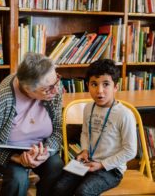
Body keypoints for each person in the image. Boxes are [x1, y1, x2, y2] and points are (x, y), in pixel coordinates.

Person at [0, 52, 64, 196]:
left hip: (41, 149)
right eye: (48, 88)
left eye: (57, 80)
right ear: (28, 89)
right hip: (8, 152)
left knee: (56, 166)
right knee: (19, 178)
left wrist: (45, 153)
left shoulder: (53, 87)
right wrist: (16, 158)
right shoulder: (4, 97)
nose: (56, 90)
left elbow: (58, 131)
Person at [52, 59, 137, 196]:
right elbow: (85, 133)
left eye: (106, 84)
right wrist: (84, 150)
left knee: (83, 192)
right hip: (87, 161)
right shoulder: (88, 108)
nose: (99, 91)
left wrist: (102, 165)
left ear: (116, 87)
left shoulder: (124, 114)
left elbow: (130, 151)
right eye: (94, 84)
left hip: (111, 169)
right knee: (59, 187)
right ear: (87, 85)